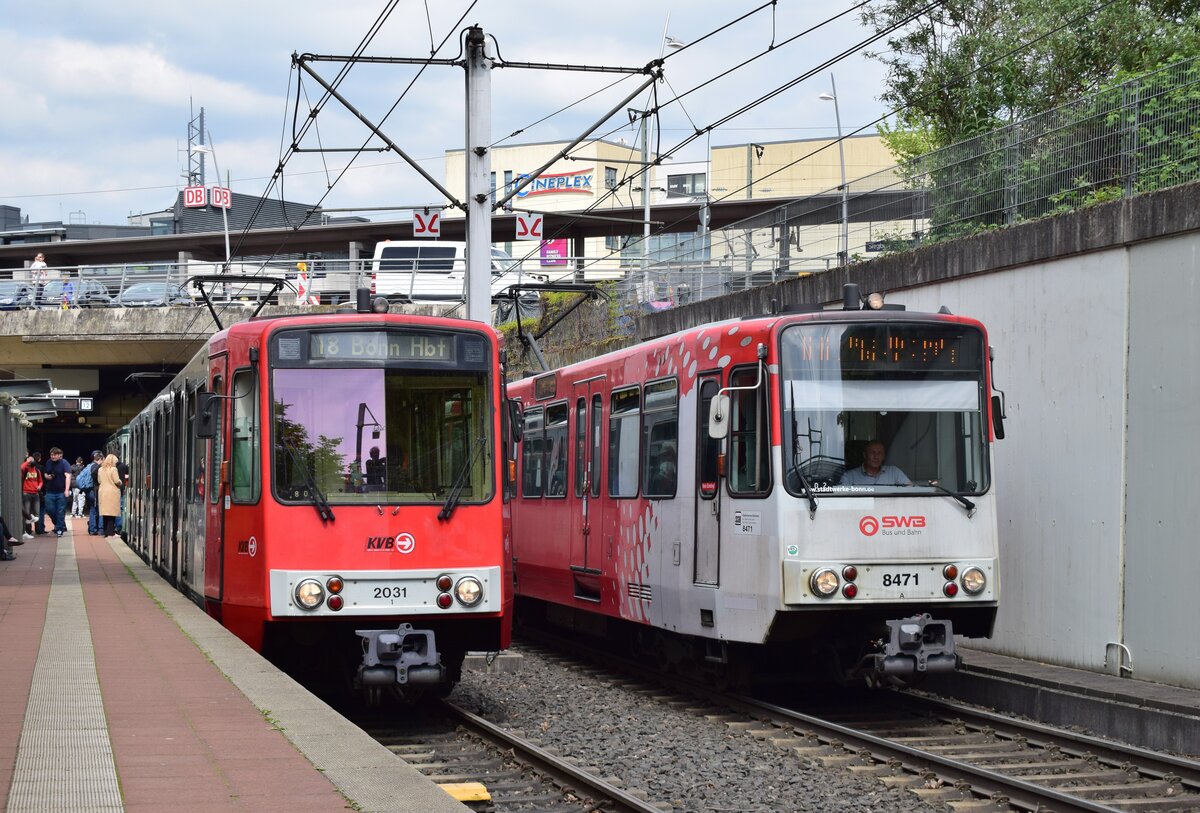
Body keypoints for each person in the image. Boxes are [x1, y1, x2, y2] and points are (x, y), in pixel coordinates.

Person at [839, 440, 911, 487]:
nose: (876, 456)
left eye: (879, 453)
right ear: (865, 455)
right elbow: (842, 501)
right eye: (872, 453)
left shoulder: (894, 472)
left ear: (883, 456)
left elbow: (912, 491)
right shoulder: (849, 477)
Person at [40, 447, 72, 537]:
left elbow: (68, 476)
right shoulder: (48, 462)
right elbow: (45, 472)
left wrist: (66, 489)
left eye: (54, 455)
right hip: (50, 491)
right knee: (49, 510)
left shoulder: (64, 463)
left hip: (61, 491)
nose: (52, 456)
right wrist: (47, 476)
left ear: (59, 455)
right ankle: (59, 525)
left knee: (60, 511)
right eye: (51, 455)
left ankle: (59, 529)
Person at [97, 454, 123, 538]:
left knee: (105, 513)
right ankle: (111, 533)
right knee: (112, 514)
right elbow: (116, 480)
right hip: (112, 492)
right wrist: (120, 482)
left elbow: (99, 480)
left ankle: (106, 532)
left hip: (103, 492)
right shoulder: (113, 469)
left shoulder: (100, 469)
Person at [20, 453, 43, 539]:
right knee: (27, 512)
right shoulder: (25, 469)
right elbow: (21, 467)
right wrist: (27, 461)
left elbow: (40, 481)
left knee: (37, 514)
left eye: (32, 460)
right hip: (26, 493)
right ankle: (28, 531)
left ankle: (38, 530)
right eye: (30, 461)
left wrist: (39, 486)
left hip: (35, 493)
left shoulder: (37, 471)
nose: (31, 462)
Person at [85, 450, 104, 535]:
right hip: (96, 491)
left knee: (92, 510)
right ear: (99, 459)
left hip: (90, 491)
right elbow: (95, 476)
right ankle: (99, 528)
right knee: (100, 510)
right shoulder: (97, 467)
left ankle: (92, 529)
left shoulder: (89, 466)